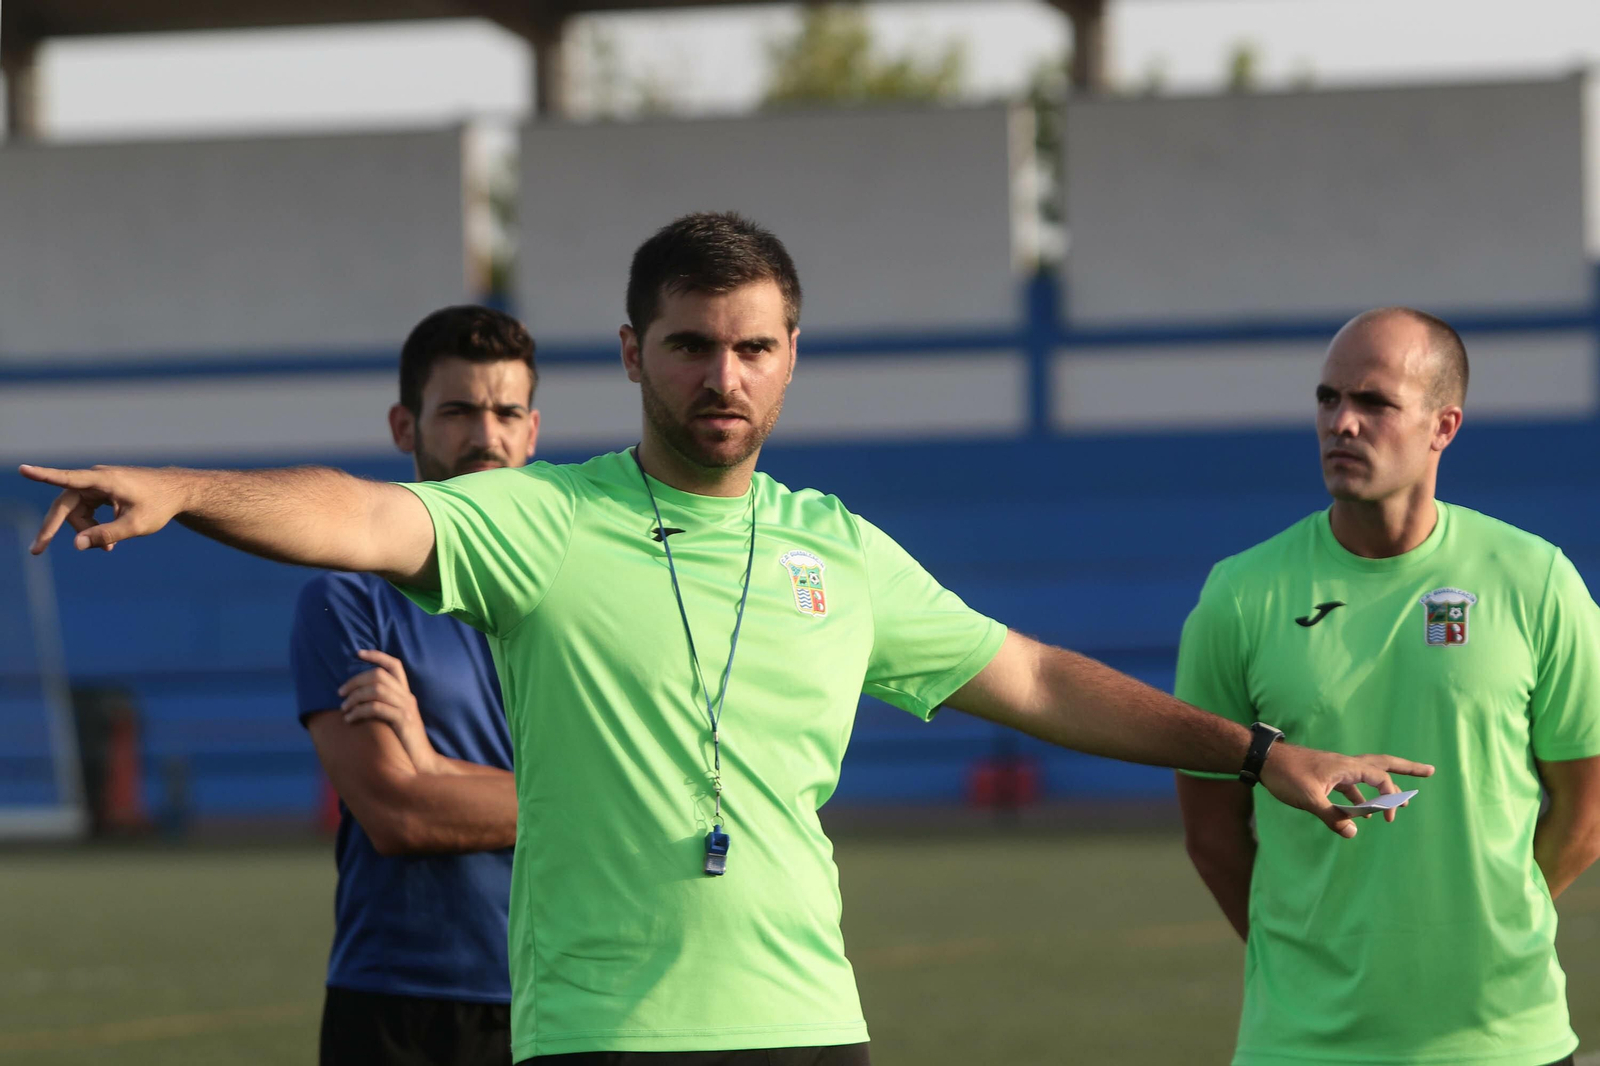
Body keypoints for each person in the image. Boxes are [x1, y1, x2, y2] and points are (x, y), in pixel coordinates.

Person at [21, 214, 1433, 1066]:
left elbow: (1040, 678)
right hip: (602, 1036)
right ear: (633, 353)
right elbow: (361, 520)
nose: (724, 375)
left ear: (793, 357)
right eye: (691, 344)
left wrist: (1259, 751)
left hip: (806, 1021)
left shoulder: (840, 544)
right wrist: (188, 490)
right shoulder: (543, 517)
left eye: (753, 346)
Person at [1174, 307, 1600, 1066]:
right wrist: (1308, 966)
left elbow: (1586, 810)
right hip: (1302, 1046)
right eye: (1327, 399)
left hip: (1507, 1042)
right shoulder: (1239, 596)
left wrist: (1492, 926)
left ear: (1444, 426)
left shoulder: (1537, 582)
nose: (1342, 423)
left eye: (1373, 403)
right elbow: (1211, 833)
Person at [291, 306, 537, 1065]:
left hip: (567, 991)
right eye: (458, 411)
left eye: (506, 412)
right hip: (401, 1000)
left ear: (532, 431)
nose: (485, 436)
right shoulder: (350, 598)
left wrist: (434, 765)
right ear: (406, 426)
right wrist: (599, 805)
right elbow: (399, 813)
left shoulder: (582, 597)